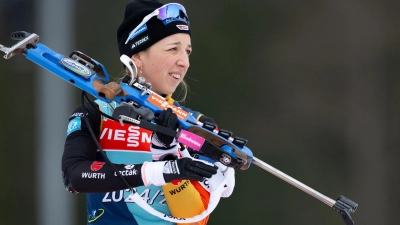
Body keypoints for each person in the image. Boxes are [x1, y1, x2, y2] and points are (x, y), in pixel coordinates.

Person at [61, 0, 235, 224]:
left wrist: (168, 154)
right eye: (173, 49)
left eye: (187, 51)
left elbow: (194, 219)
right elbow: (74, 176)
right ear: (138, 57)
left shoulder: (194, 125)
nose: (185, 62)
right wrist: (161, 170)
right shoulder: (97, 112)